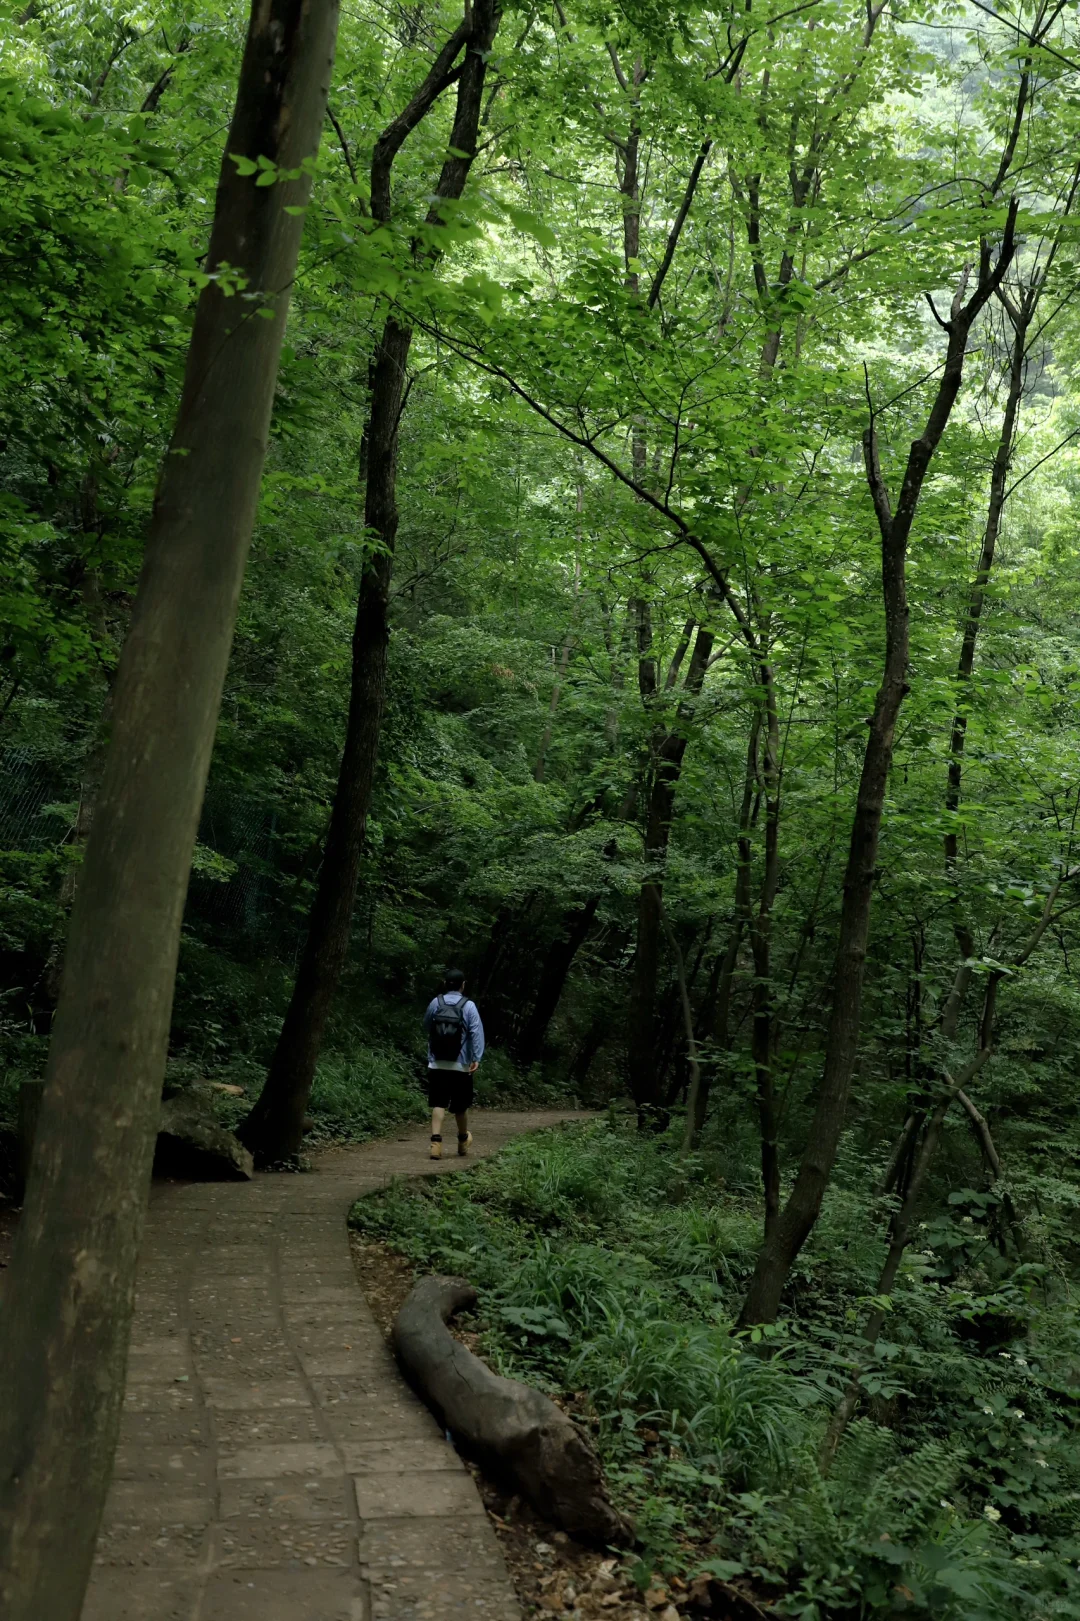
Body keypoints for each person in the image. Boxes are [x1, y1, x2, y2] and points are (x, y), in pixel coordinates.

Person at [423, 968, 484, 1160]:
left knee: (438, 1103)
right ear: (463, 985)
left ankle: (435, 1144)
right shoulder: (469, 1006)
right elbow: (476, 1033)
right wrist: (476, 1057)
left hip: (437, 1063)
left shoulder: (436, 1002)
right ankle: (463, 1140)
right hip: (460, 1065)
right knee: (460, 1107)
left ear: (445, 984)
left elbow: (426, 1025)